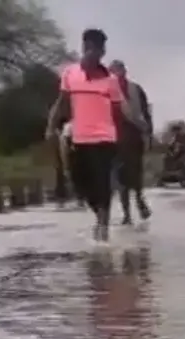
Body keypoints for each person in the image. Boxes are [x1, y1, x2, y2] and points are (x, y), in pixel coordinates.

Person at [45, 28, 146, 238]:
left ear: (102, 51)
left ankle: (103, 224)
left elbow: (122, 107)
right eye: (90, 48)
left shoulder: (110, 80)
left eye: (99, 50)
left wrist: (138, 122)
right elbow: (62, 102)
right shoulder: (70, 74)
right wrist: (51, 125)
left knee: (102, 181)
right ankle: (99, 213)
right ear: (85, 48)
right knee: (80, 182)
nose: (95, 53)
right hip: (79, 137)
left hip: (104, 137)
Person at [109, 60, 153, 224]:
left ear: (124, 71)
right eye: (113, 71)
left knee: (134, 174)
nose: (116, 74)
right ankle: (127, 213)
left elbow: (145, 113)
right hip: (114, 139)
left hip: (133, 137)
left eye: (118, 70)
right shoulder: (106, 91)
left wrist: (148, 133)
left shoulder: (135, 89)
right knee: (121, 178)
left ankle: (139, 200)